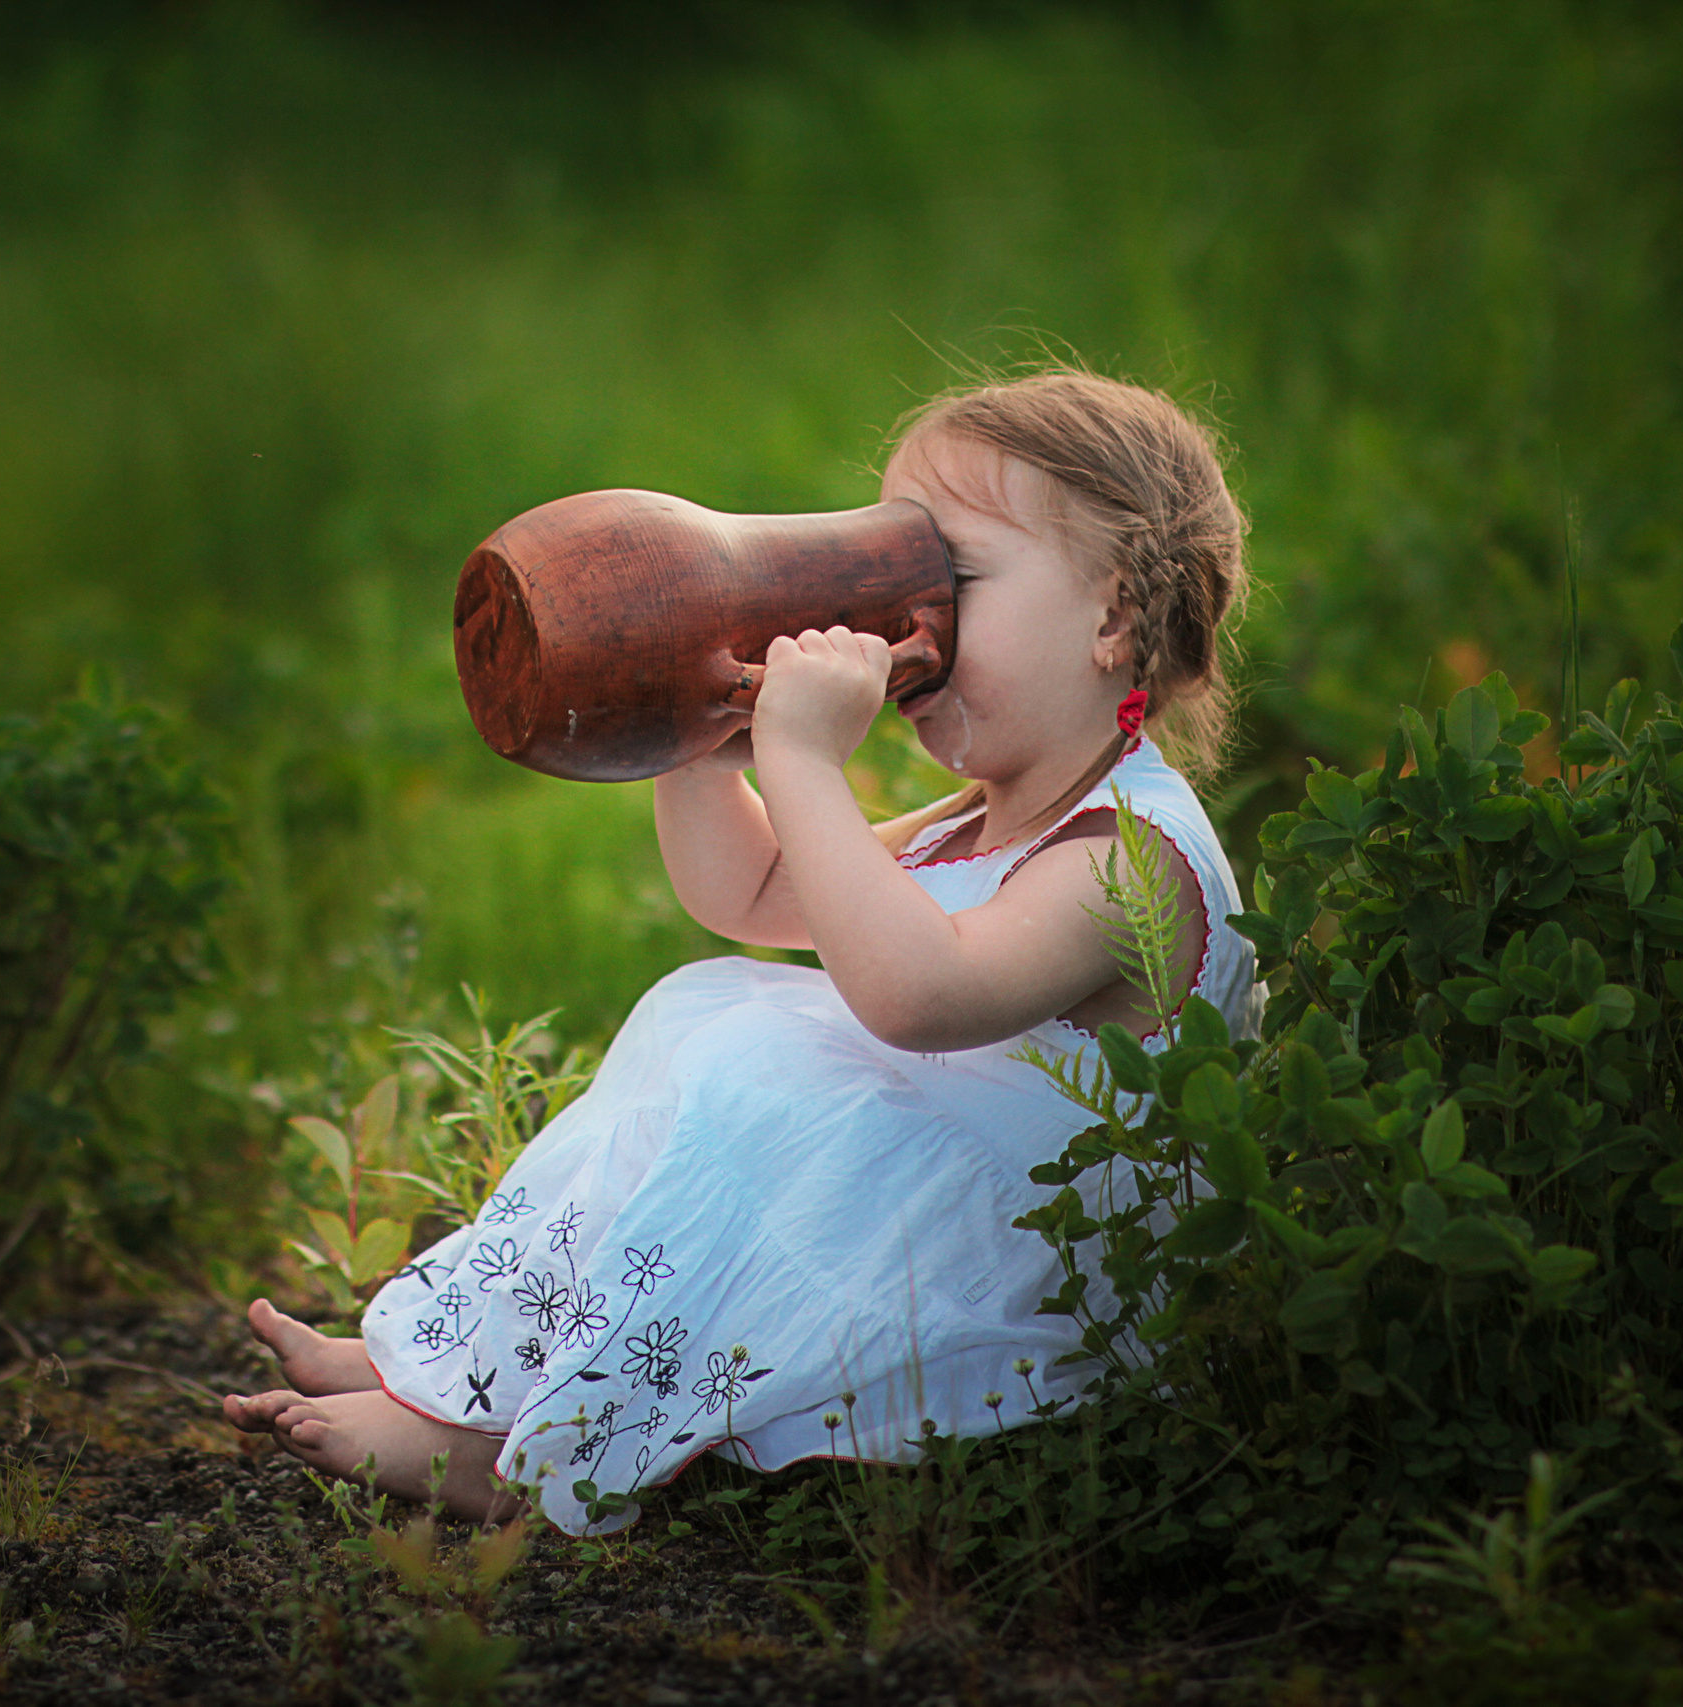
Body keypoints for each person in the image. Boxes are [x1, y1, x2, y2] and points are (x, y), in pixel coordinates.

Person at [224, 368, 1257, 1532]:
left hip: (1025, 1260)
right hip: (925, 1184)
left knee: (762, 1079)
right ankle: (462, 1369)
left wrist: (808, 765)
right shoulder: (991, 808)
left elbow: (920, 997)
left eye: (948, 578)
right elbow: (758, 893)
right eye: (889, 567)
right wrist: (706, 738)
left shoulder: (1132, 854)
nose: (908, 620)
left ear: (1113, 617)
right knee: (700, 1014)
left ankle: (505, 1454)